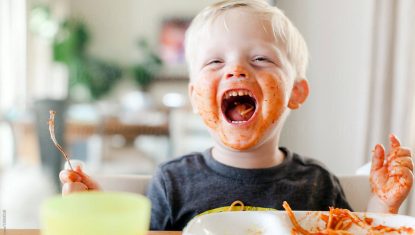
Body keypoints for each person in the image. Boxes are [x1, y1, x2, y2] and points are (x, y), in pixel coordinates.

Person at [59, 0, 414, 231]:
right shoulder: (172, 184)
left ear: (296, 92)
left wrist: (383, 204)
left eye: (260, 59)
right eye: (215, 61)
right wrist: (91, 219)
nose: (236, 70)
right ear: (196, 96)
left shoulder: (317, 185)